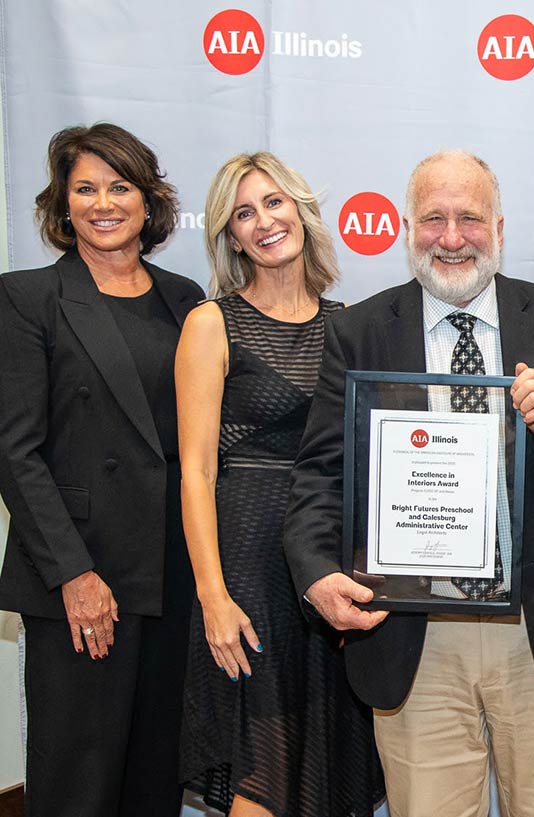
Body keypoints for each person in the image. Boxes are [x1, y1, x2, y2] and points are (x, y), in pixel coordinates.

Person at [281, 149, 534, 817]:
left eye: (469, 218)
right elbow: (319, 475)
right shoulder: (358, 331)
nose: (451, 237)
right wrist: (316, 573)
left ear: (500, 227)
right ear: (406, 226)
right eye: (433, 218)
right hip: (414, 632)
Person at [0, 123, 203, 816]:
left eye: (120, 186)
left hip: (173, 572)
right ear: (62, 206)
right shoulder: (28, 298)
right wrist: (73, 574)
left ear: (149, 202)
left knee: (156, 780)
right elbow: (16, 451)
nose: (102, 202)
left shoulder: (186, 299)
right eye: (84, 188)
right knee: (77, 788)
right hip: (82, 581)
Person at [175, 152, 384, 816]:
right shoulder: (213, 323)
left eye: (274, 202)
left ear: (301, 210)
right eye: (244, 212)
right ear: (230, 236)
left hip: (323, 567)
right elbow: (196, 471)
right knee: (258, 772)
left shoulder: (350, 324)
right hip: (248, 570)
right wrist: (212, 595)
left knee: (324, 766)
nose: (264, 221)